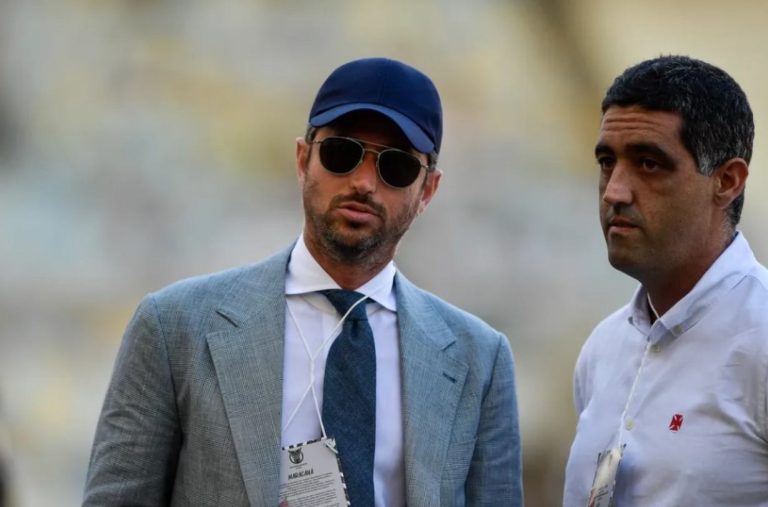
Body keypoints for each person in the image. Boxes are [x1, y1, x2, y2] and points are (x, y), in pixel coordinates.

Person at [83, 57, 523, 506]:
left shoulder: (480, 361)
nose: (363, 182)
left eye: (397, 167)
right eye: (341, 153)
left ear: (428, 190)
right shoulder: (174, 328)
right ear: (302, 159)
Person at [563, 55, 768, 505]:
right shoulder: (602, 348)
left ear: (727, 181)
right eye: (606, 162)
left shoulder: (761, 339)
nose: (614, 190)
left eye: (649, 164)